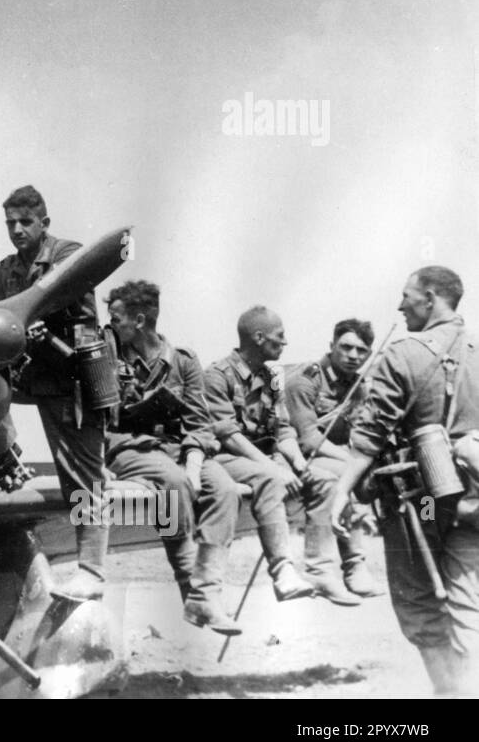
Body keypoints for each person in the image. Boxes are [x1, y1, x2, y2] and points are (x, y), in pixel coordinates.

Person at [334, 266, 479, 695]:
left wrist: (340, 492)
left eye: (406, 296)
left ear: (430, 298)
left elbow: (368, 438)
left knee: (418, 597)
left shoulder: (403, 354)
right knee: (470, 599)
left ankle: (454, 692)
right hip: (472, 499)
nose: (400, 306)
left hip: (424, 504)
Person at [0, 185, 113, 601]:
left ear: (44, 222)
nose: (17, 230)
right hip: (32, 373)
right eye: (10, 223)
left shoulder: (66, 256)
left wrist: (44, 324)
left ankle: (92, 573)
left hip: (71, 375)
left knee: (81, 475)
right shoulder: (7, 270)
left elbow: (83, 318)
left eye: (25, 222)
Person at [105, 281, 241, 633]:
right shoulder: (107, 358)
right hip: (128, 446)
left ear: (138, 320)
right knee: (172, 483)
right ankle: (192, 591)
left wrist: (195, 464)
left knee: (224, 489)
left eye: (116, 318)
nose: (110, 324)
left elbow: (200, 422)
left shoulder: (183, 361)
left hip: (177, 449)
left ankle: (205, 597)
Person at [202, 307, 316, 602]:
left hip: (257, 458)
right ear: (259, 337)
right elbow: (228, 435)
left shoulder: (272, 378)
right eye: (280, 336)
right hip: (222, 457)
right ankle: (283, 571)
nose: (285, 342)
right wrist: (273, 467)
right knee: (268, 478)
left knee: (312, 476)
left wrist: (298, 463)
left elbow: (283, 430)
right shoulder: (217, 375)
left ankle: (321, 571)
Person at [285, 319, 386, 598]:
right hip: (298, 457)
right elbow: (307, 437)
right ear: (332, 346)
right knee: (342, 475)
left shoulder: (359, 385)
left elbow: (360, 431)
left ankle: (357, 567)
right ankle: (326, 570)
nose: (354, 356)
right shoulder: (305, 380)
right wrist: (349, 461)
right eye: (347, 347)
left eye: (362, 351)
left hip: (337, 456)